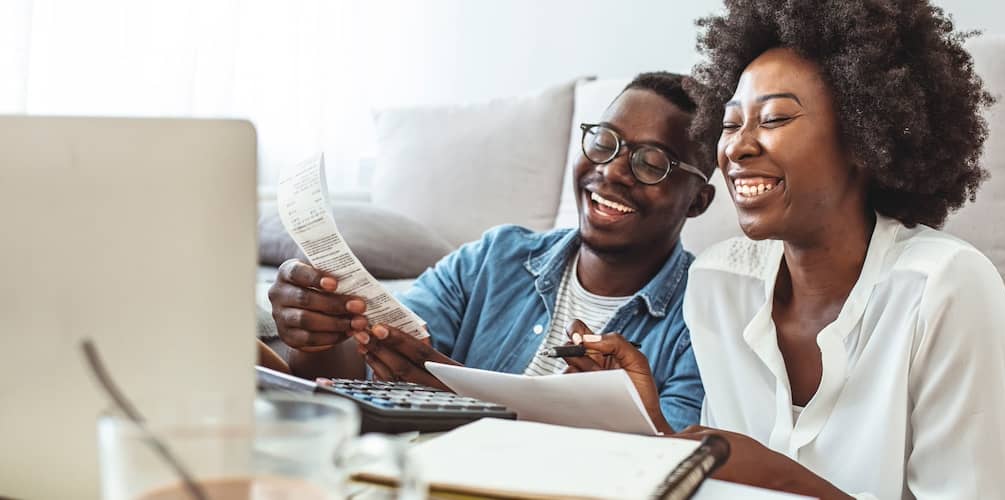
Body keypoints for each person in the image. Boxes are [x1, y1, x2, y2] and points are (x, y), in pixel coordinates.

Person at [565, 1, 1005, 498]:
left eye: (775, 118)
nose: (737, 148)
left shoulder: (946, 287)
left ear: (862, 139)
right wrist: (654, 429)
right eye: (731, 123)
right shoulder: (720, 284)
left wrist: (783, 479)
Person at [266, 72, 716, 431]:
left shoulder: (705, 318)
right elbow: (361, 378)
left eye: (651, 162)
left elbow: (676, 454)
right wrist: (319, 337)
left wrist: (466, 401)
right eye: (604, 142)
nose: (612, 170)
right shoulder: (494, 259)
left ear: (698, 200)